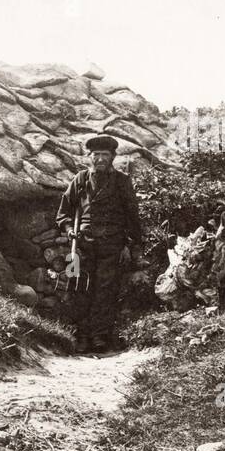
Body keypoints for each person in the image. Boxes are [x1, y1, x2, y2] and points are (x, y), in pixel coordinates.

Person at [56, 135, 142, 352]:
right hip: (82, 244)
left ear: (113, 157)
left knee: (105, 289)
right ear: (90, 157)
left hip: (112, 244)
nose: (101, 159)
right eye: (97, 155)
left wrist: (131, 245)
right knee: (78, 286)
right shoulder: (80, 180)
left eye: (106, 155)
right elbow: (64, 213)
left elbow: (132, 216)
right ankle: (80, 334)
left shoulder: (122, 182)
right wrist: (69, 230)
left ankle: (99, 336)